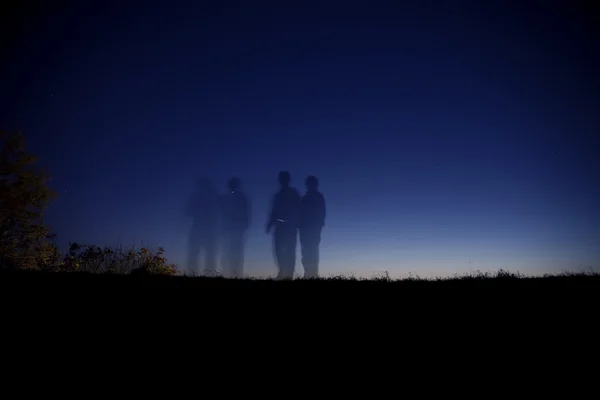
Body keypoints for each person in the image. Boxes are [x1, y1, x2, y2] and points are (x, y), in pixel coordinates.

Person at [266, 171, 301, 279]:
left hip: (290, 226)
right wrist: (270, 223)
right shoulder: (278, 195)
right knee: (278, 250)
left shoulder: (293, 193)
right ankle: (282, 270)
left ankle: (288, 275)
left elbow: (299, 208)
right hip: (280, 226)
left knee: (289, 250)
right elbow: (274, 210)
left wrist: (297, 222)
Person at [185, 177, 219, 276]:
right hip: (206, 228)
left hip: (202, 227)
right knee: (206, 252)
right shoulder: (213, 195)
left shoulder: (196, 195)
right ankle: (206, 273)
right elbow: (188, 211)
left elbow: (188, 212)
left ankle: (196, 273)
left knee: (198, 252)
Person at [220, 177, 250, 278]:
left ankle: (235, 274)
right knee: (232, 252)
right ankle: (233, 274)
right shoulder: (232, 197)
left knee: (235, 252)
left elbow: (245, 214)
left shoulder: (238, 198)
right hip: (232, 229)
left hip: (235, 229)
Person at [299, 176, 326, 279]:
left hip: (312, 229)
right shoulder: (306, 198)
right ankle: (309, 273)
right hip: (307, 229)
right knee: (307, 252)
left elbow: (322, 214)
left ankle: (312, 274)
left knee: (312, 252)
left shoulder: (316, 197)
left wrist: (318, 226)